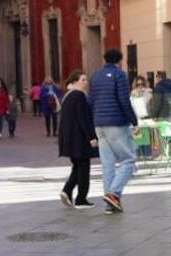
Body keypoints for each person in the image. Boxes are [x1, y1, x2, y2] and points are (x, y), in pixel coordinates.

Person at [89, 49, 139, 214]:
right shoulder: (120, 75)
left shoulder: (95, 76)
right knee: (129, 160)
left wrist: (93, 124)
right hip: (116, 123)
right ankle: (113, 194)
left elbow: (91, 100)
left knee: (107, 164)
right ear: (120, 60)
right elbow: (124, 99)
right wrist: (134, 120)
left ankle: (110, 204)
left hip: (99, 124)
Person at [58, 71, 98, 209]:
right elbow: (83, 119)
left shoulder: (68, 96)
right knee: (84, 168)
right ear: (74, 81)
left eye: (86, 79)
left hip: (69, 138)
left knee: (77, 167)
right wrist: (91, 137)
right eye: (83, 79)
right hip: (80, 139)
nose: (86, 82)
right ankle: (81, 198)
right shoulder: (79, 96)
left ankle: (67, 191)